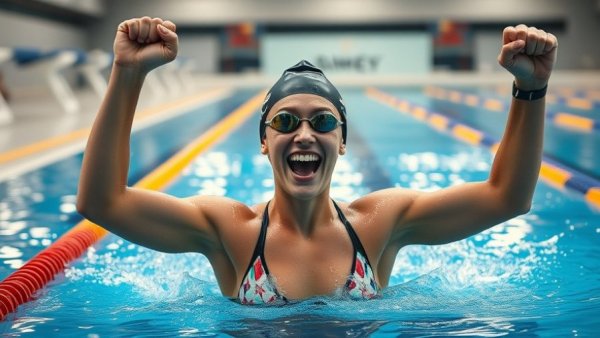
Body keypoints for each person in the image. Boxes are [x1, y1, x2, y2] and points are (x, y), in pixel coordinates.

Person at [77, 17, 558, 304]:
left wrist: (530, 89)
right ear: (264, 142)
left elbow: (507, 198)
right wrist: (126, 72)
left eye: (323, 123)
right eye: (285, 123)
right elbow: (102, 202)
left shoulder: (378, 222)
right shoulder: (231, 230)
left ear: (343, 141)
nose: (304, 134)